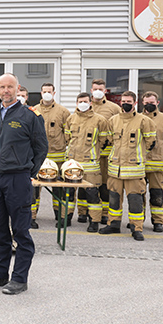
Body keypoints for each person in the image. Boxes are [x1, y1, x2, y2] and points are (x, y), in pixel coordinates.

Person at [0, 73, 47, 295]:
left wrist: (28, 171)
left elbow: (41, 148)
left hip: (18, 178)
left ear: (17, 89)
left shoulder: (30, 116)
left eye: (10, 87)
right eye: (2, 87)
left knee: (20, 230)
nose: (5, 91)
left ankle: (19, 279)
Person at [98, 91, 156, 241]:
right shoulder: (113, 120)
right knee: (114, 199)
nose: (126, 103)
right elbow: (109, 141)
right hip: (115, 169)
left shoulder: (144, 121)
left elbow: (151, 143)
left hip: (134, 170)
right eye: (123, 101)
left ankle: (136, 228)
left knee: (135, 201)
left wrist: (138, 157)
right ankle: (113, 224)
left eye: (129, 101)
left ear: (135, 103)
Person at [64, 93, 111, 232]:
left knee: (92, 194)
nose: (82, 103)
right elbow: (68, 138)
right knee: (69, 193)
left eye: (85, 101)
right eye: (80, 101)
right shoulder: (71, 118)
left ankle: (94, 221)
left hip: (91, 164)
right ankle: (66, 218)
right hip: (72, 163)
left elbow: (105, 141)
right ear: (76, 103)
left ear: (90, 103)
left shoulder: (100, 120)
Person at [32, 83, 71, 229]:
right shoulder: (34, 110)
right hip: (38, 157)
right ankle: (32, 217)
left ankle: (60, 216)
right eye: (44, 91)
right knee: (34, 189)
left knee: (58, 189)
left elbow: (68, 134)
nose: (47, 94)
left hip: (58, 156)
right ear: (41, 93)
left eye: (49, 91)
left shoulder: (63, 112)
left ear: (54, 93)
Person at [83, 78, 122, 224]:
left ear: (105, 91)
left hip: (105, 155)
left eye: (101, 89)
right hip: (88, 154)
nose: (98, 91)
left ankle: (104, 213)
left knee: (105, 185)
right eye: (95, 89)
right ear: (91, 90)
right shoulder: (85, 105)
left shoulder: (113, 108)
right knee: (86, 184)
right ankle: (85, 212)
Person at [141, 91, 163, 232]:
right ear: (142, 103)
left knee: (157, 195)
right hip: (140, 164)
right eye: (147, 102)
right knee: (138, 195)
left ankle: (158, 222)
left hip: (158, 165)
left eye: (152, 102)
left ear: (157, 103)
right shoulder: (137, 118)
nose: (149, 105)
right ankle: (138, 221)